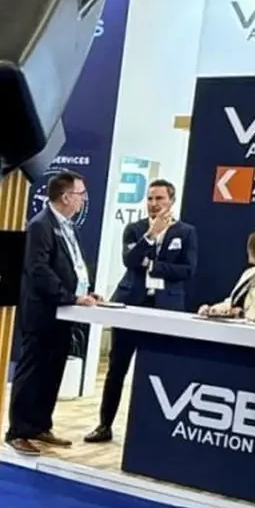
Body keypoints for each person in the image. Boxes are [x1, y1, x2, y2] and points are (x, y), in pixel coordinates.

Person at [85, 179, 197, 443]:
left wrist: (154, 265)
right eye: (150, 198)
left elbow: (187, 270)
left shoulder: (186, 232)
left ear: (171, 201)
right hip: (131, 303)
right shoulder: (134, 230)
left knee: (158, 369)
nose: (154, 204)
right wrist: (150, 236)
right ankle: (104, 425)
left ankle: (152, 433)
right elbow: (130, 260)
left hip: (165, 307)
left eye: (159, 198)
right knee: (116, 368)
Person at [6, 170, 100, 455]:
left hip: (65, 312)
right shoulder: (41, 225)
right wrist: (70, 296)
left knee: (52, 371)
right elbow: (38, 269)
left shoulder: (69, 226)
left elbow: (72, 264)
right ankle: (18, 431)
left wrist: (85, 292)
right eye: (80, 194)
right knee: (32, 370)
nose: (83, 200)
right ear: (66, 196)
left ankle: (39, 426)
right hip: (43, 311)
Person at [198, 227, 255, 323]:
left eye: (252, 246)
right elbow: (233, 301)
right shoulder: (250, 273)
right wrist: (214, 309)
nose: (248, 250)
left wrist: (240, 314)